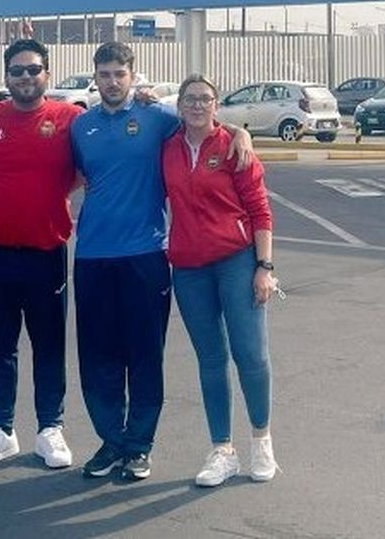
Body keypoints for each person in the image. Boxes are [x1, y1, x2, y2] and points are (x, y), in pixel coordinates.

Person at [70, 41, 253, 481]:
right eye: (104, 75)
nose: (112, 82)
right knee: (98, 356)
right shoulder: (81, 127)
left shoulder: (157, 119)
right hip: (92, 256)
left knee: (144, 355)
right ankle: (112, 440)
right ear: (95, 78)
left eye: (119, 74)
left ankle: (139, 446)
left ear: (133, 76)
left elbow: (203, 119)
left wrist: (240, 131)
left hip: (146, 256)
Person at [0, 39, 80, 472]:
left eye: (33, 70)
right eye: (17, 71)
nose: (26, 77)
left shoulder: (70, 119)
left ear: (47, 74)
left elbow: (92, 164)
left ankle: (50, 427)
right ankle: (1, 429)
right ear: (6, 77)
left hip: (46, 253)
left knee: (49, 345)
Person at [161, 75, 281, 487]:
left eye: (205, 100)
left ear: (216, 105)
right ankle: (222, 450)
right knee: (211, 359)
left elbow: (260, 211)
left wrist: (264, 267)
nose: (197, 106)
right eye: (190, 99)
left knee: (250, 354)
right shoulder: (169, 147)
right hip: (189, 269)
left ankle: (261, 440)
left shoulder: (231, 145)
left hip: (236, 260)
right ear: (179, 105)